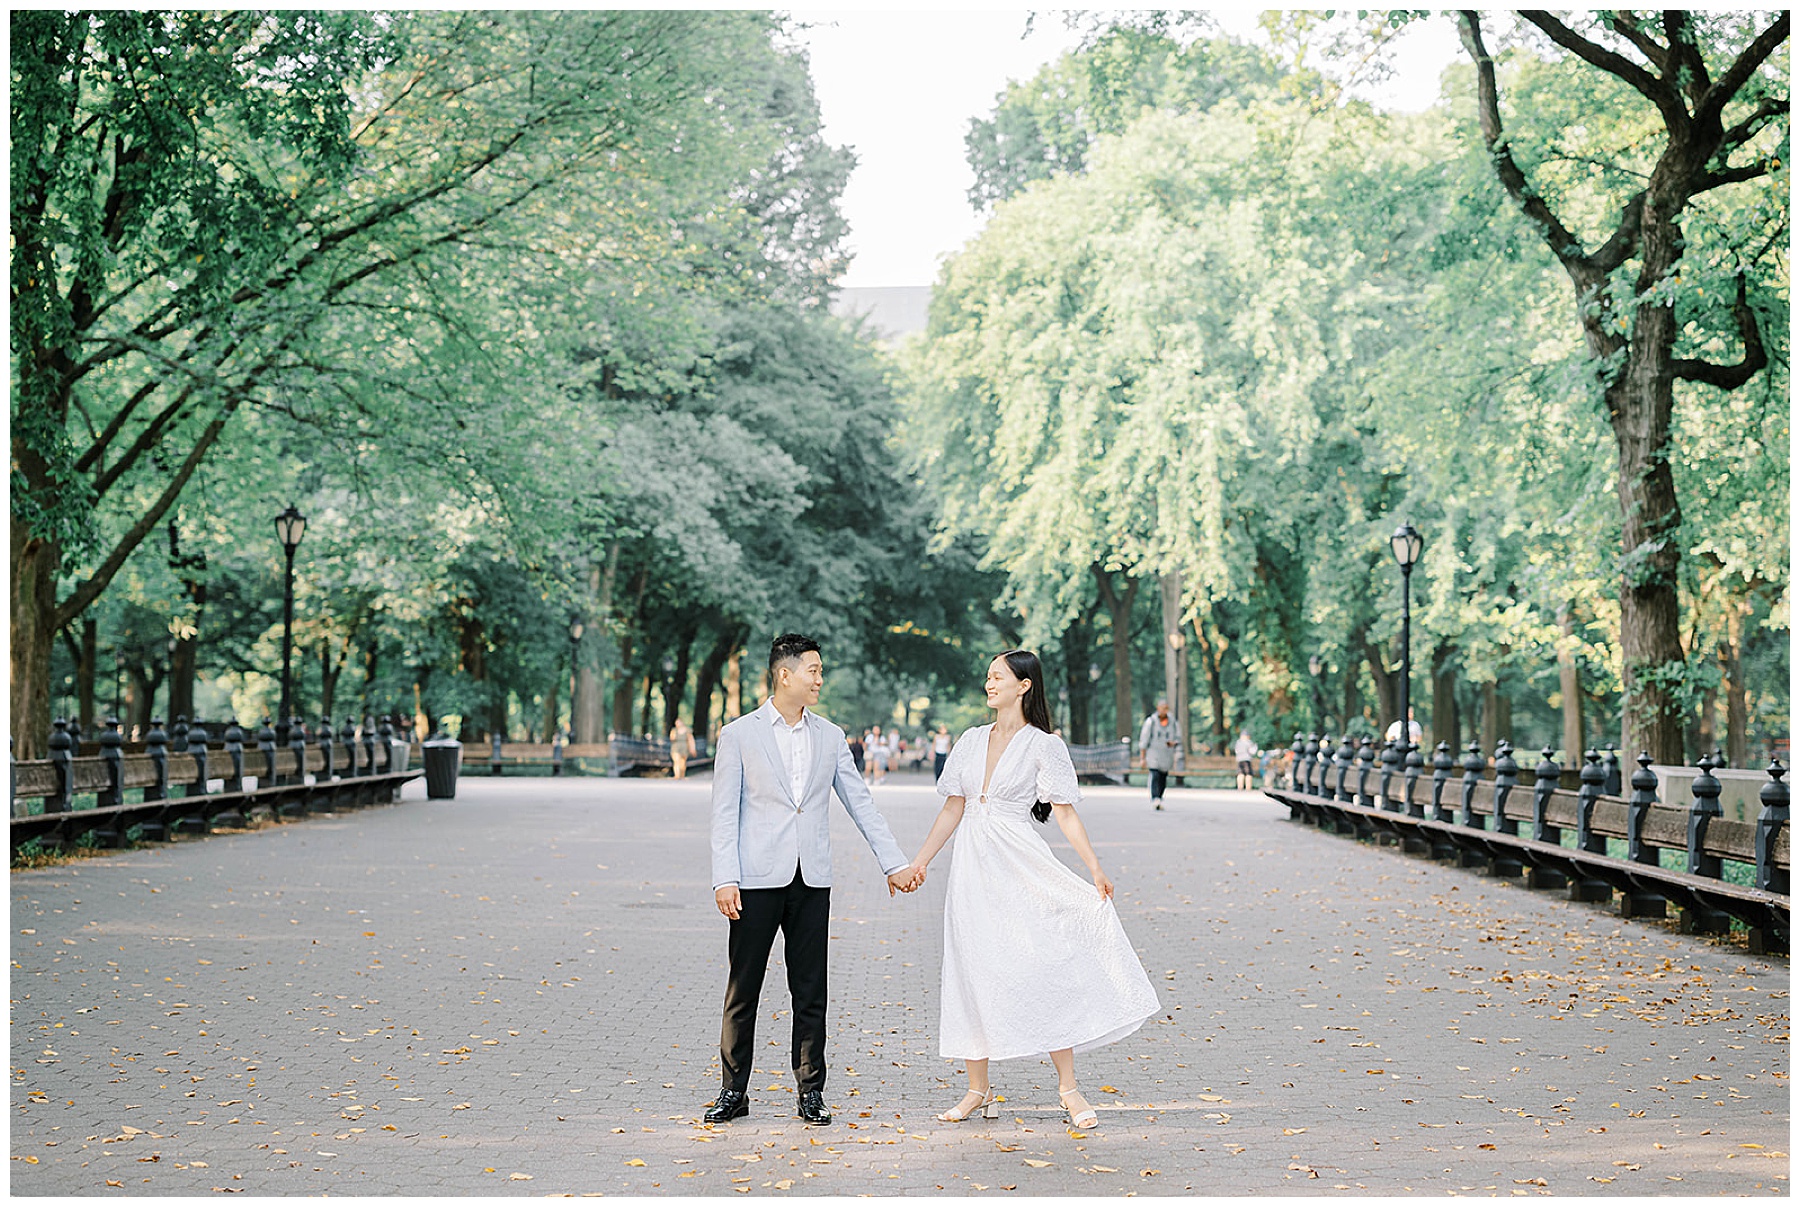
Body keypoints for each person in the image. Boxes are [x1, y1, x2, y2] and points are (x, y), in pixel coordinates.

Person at [899, 649, 1159, 1130]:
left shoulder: (1044, 745)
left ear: (1024, 685)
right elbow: (953, 808)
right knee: (971, 966)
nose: (988, 683)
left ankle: (1069, 1088)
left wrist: (1095, 868)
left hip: (1020, 864)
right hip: (972, 873)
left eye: (998, 676)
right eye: (987, 676)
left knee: (1044, 962)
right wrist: (920, 862)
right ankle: (978, 1089)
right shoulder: (971, 741)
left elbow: (1064, 812)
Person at [706, 634, 918, 1127]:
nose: (820, 679)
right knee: (744, 989)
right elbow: (723, 814)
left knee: (810, 989)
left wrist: (894, 863)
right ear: (786, 674)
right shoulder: (739, 734)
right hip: (754, 880)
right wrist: (725, 877)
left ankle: (811, 1091)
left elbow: (860, 802)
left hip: (811, 879)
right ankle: (733, 1091)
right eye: (814, 671)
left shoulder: (830, 736)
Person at [1139, 699, 1181, 810]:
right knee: (1155, 775)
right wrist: (1142, 758)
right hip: (1153, 754)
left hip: (1166, 754)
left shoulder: (1172, 722)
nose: (1164, 710)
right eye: (1163, 708)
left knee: (1163, 776)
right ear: (1158, 708)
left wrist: (1173, 743)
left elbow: (1178, 737)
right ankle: (1155, 798)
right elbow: (1144, 740)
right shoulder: (1151, 721)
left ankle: (1160, 797)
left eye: (1166, 708)